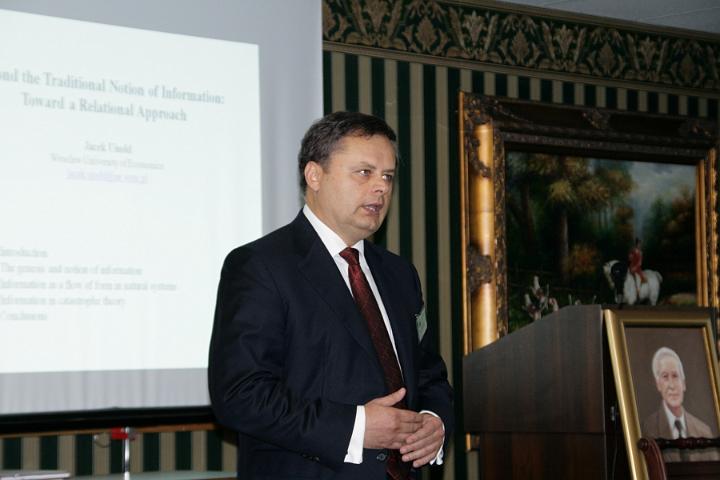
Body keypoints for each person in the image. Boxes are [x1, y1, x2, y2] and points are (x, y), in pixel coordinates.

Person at [208, 111, 454, 479]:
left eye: (388, 176)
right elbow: (241, 395)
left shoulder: (400, 274)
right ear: (315, 175)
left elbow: (429, 374)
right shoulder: (260, 266)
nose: (381, 187)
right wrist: (355, 428)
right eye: (364, 172)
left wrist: (435, 421)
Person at [641, 347, 719, 462]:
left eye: (675, 376)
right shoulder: (647, 429)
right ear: (658, 385)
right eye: (665, 377)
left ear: (684, 383)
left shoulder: (704, 431)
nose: (672, 385)